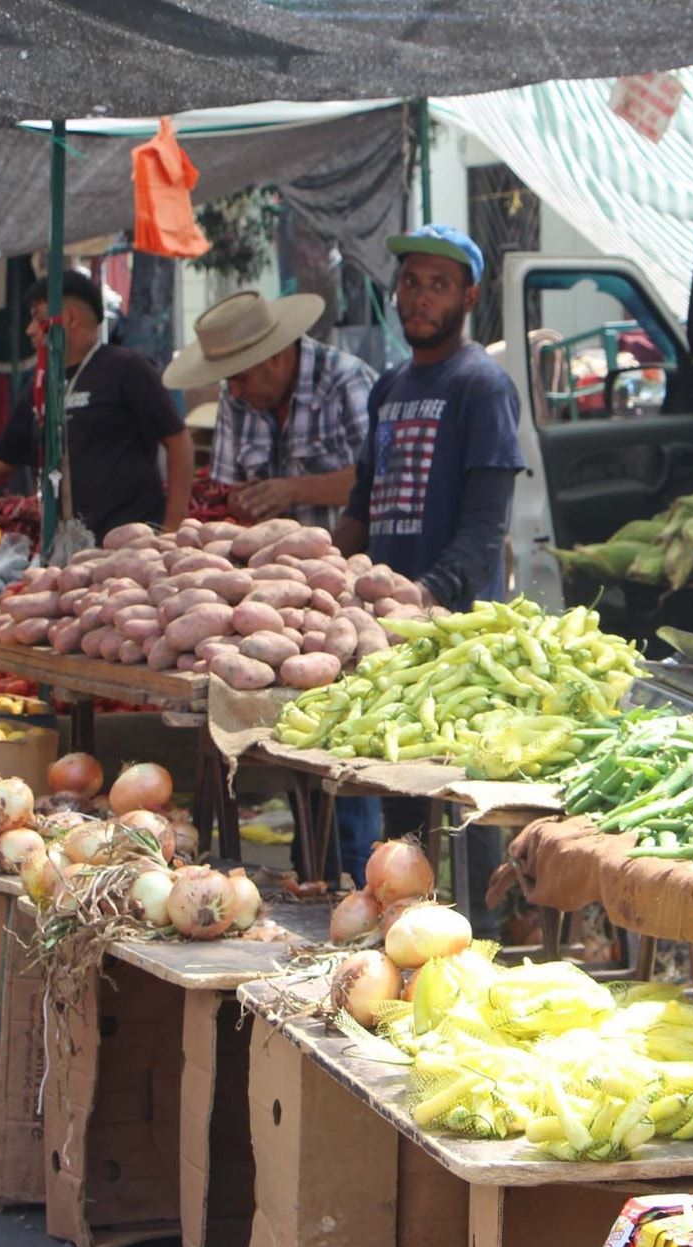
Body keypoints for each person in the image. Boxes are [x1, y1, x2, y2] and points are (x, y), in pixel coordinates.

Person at [337, 226, 526, 929]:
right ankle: (404, 937)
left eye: (438, 285)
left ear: (470, 297)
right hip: (391, 641)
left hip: (459, 639)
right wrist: (325, 572)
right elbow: (364, 501)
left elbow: (485, 529)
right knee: (401, 805)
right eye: (411, 282)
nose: (419, 297)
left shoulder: (481, 386)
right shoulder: (388, 387)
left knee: (467, 803)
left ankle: (489, 941)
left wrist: (427, 593)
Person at [0, 271, 194, 536]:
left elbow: (178, 441)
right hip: (66, 546)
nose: (30, 330)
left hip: (132, 542)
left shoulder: (127, 368)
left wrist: (173, 527)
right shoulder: (41, 385)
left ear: (70, 319)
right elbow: (3, 458)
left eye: (39, 320)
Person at [163, 291, 374, 527]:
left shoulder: (344, 380)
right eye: (228, 380)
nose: (234, 391)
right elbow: (229, 490)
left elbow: (380, 479)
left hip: (347, 557)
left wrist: (293, 490)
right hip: (267, 557)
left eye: (241, 379)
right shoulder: (234, 398)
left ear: (276, 358)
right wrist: (241, 501)